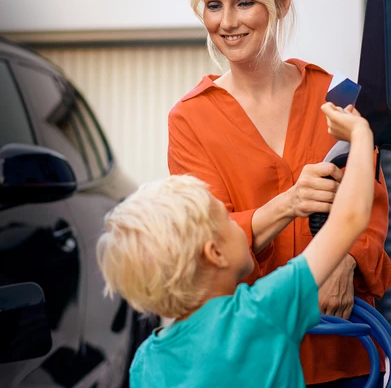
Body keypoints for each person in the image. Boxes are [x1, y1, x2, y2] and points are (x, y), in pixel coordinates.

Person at [167, 0, 391, 386]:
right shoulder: (190, 119)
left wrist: (344, 259)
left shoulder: (336, 95)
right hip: (251, 360)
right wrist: (289, 203)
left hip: (344, 355)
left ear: (281, 2)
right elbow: (207, 242)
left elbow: (373, 206)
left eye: (244, 2)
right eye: (214, 5)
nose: (227, 22)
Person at [98, 103, 376, 388]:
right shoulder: (263, 310)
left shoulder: (145, 362)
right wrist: (361, 135)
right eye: (227, 220)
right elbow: (350, 219)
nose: (239, 223)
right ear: (215, 254)